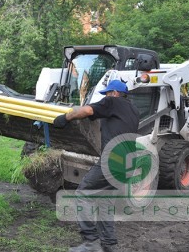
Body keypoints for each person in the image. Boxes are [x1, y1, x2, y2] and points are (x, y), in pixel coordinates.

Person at [53, 80, 140, 252]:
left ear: (114, 93)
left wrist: (65, 117)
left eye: (107, 93)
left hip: (113, 160)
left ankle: (90, 242)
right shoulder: (133, 110)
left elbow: (87, 110)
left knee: (82, 193)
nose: (105, 97)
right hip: (128, 163)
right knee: (105, 201)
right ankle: (109, 245)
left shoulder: (111, 102)